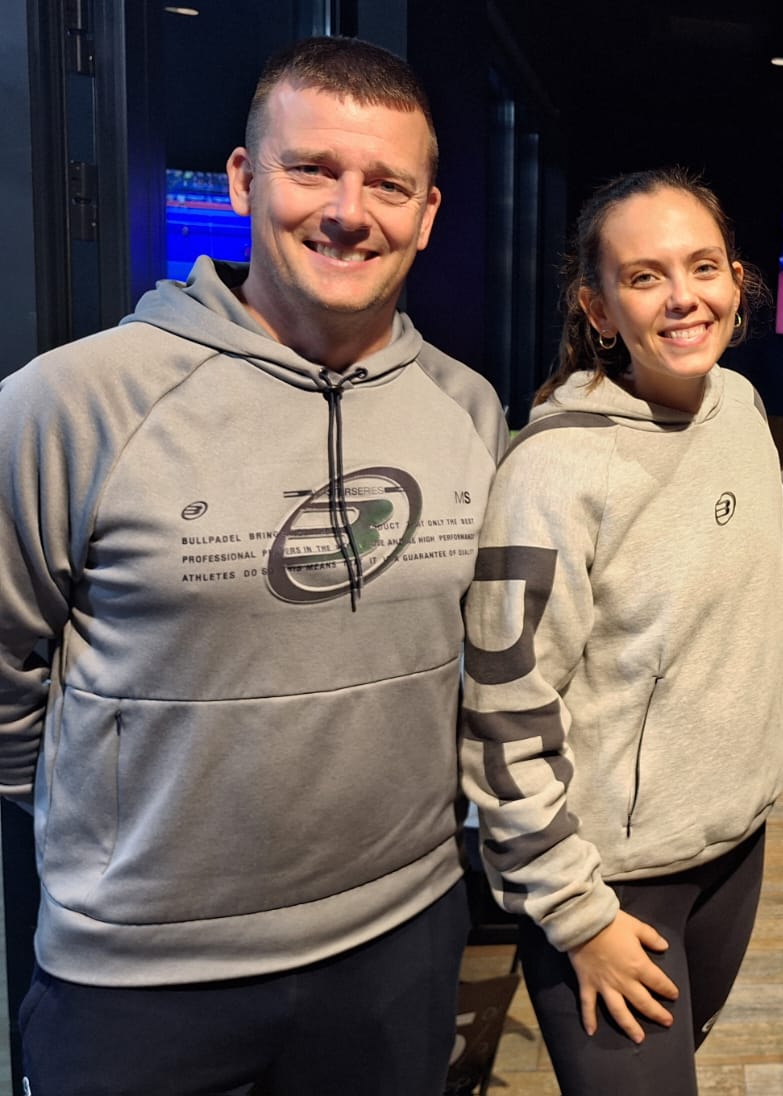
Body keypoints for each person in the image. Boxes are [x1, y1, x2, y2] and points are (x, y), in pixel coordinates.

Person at [0, 37, 507, 1094]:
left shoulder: (468, 407)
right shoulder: (69, 403)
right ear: (242, 179)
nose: (348, 211)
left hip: (402, 937)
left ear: (426, 213)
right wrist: (120, 849)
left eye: (387, 185)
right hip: (140, 977)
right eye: (311, 168)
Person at [460, 167, 783, 1096]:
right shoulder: (554, 471)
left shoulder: (742, 408)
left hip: (734, 846)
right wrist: (577, 914)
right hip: (611, 881)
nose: (684, 297)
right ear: (598, 307)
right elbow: (502, 712)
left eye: (704, 266)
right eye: (646, 276)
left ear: (736, 281)